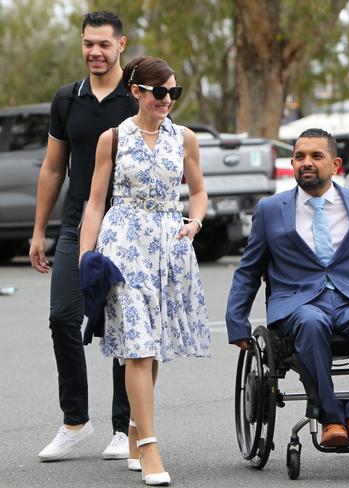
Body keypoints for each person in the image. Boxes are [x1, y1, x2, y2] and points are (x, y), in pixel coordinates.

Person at [78, 55, 210, 485]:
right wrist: (85, 254)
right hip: (123, 244)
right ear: (136, 92)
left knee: (150, 346)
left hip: (168, 247)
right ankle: (151, 447)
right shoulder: (112, 139)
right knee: (136, 345)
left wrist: (196, 220)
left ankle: (135, 429)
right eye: (160, 92)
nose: (168, 99)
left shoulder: (185, 138)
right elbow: (96, 202)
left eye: (175, 91)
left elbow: (199, 190)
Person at [226, 128, 349, 448]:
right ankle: (331, 419)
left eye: (315, 156)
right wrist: (236, 320)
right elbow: (248, 270)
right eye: (299, 156)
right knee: (311, 322)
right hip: (297, 304)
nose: (306, 162)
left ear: (335, 164)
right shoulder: (270, 210)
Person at [29, 11, 135, 462]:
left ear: (121, 46)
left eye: (104, 44)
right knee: (61, 318)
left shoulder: (137, 99)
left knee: (125, 327)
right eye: (88, 43)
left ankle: (122, 427)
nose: (95, 51)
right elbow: (53, 168)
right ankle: (75, 421)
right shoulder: (67, 99)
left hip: (126, 226)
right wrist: (39, 231)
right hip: (76, 225)